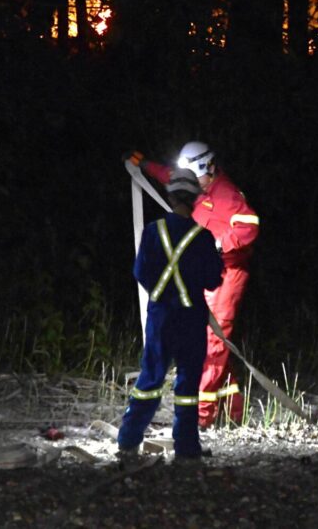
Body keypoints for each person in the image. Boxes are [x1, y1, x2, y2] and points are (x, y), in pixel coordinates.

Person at [126, 142, 259, 427]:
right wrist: (141, 162)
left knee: (212, 345)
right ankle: (233, 412)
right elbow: (167, 175)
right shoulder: (193, 183)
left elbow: (249, 226)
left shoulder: (226, 194)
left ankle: (201, 418)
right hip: (206, 272)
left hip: (228, 275)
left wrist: (219, 244)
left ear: (210, 169)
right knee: (213, 342)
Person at [118, 168, 224, 460]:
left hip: (161, 317)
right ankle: (187, 449)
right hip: (191, 320)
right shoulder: (203, 238)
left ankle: (128, 440)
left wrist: (163, 293)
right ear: (195, 199)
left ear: (170, 194)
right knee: (188, 386)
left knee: (150, 379)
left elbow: (140, 271)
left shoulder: (153, 231)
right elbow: (214, 280)